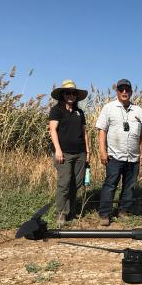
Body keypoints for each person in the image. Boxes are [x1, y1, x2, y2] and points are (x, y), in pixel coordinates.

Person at [96, 79, 142, 226]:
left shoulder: (139, 110)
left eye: (127, 89)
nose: (124, 92)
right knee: (110, 184)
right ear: (117, 91)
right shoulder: (109, 108)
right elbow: (102, 130)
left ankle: (123, 210)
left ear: (131, 92)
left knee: (129, 185)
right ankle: (105, 213)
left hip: (133, 156)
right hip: (114, 155)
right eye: (121, 89)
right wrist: (102, 151)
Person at [48, 79, 90, 226]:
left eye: (73, 93)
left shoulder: (80, 112)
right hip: (63, 153)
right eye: (68, 93)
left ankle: (71, 210)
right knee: (64, 183)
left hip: (80, 153)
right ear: (63, 94)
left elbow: (84, 133)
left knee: (76, 183)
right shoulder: (57, 110)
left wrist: (87, 151)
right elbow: (52, 130)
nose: (71, 95)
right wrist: (58, 150)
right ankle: (60, 213)